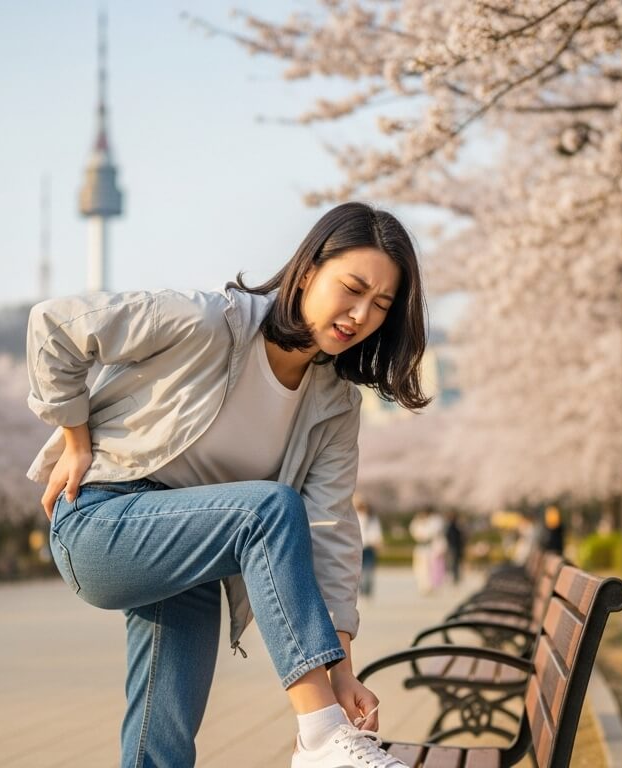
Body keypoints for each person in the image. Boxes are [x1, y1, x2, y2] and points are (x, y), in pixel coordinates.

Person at [26, 202, 431, 768]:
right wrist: (75, 439)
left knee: (163, 739)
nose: (360, 314)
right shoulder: (208, 320)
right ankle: (318, 737)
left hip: (193, 553)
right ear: (309, 268)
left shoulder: (334, 404)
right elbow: (54, 325)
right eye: (352, 288)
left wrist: (344, 672)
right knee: (267, 509)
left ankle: (325, 730)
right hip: (100, 520)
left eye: (380, 306)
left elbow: (331, 529)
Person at [408, 509, 446, 595]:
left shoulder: (433, 523)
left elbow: (435, 535)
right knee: (419, 568)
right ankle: (422, 585)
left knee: (430, 568)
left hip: (430, 548)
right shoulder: (416, 522)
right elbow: (415, 533)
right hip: (420, 548)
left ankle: (429, 586)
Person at [354, 494, 384, 600]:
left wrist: (378, 541)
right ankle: (361, 590)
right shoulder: (355, 515)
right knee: (359, 570)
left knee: (369, 570)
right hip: (358, 546)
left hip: (370, 546)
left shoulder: (373, 518)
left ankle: (368, 590)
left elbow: (377, 531)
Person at [444, 511, 464, 586]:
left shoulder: (455, 526)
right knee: (453, 563)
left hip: (455, 546)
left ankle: (455, 577)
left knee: (455, 563)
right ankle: (454, 577)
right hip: (453, 546)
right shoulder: (451, 527)